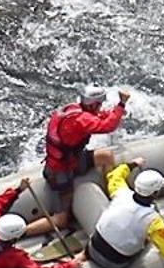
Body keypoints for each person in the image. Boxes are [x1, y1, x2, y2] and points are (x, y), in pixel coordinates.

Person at [39, 86, 130, 222]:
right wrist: (121, 104)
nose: (100, 107)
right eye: (99, 105)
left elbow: (99, 117)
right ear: (93, 104)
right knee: (64, 217)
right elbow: (107, 126)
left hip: (72, 160)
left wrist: (116, 111)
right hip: (60, 171)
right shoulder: (80, 120)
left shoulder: (74, 110)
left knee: (106, 156)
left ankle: (113, 192)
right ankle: (26, 231)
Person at [87, 160, 164, 268]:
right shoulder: (153, 221)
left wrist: (133, 164)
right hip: (114, 263)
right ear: (154, 193)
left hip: (91, 248)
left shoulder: (121, 192)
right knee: (148, 241)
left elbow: (115, 175)